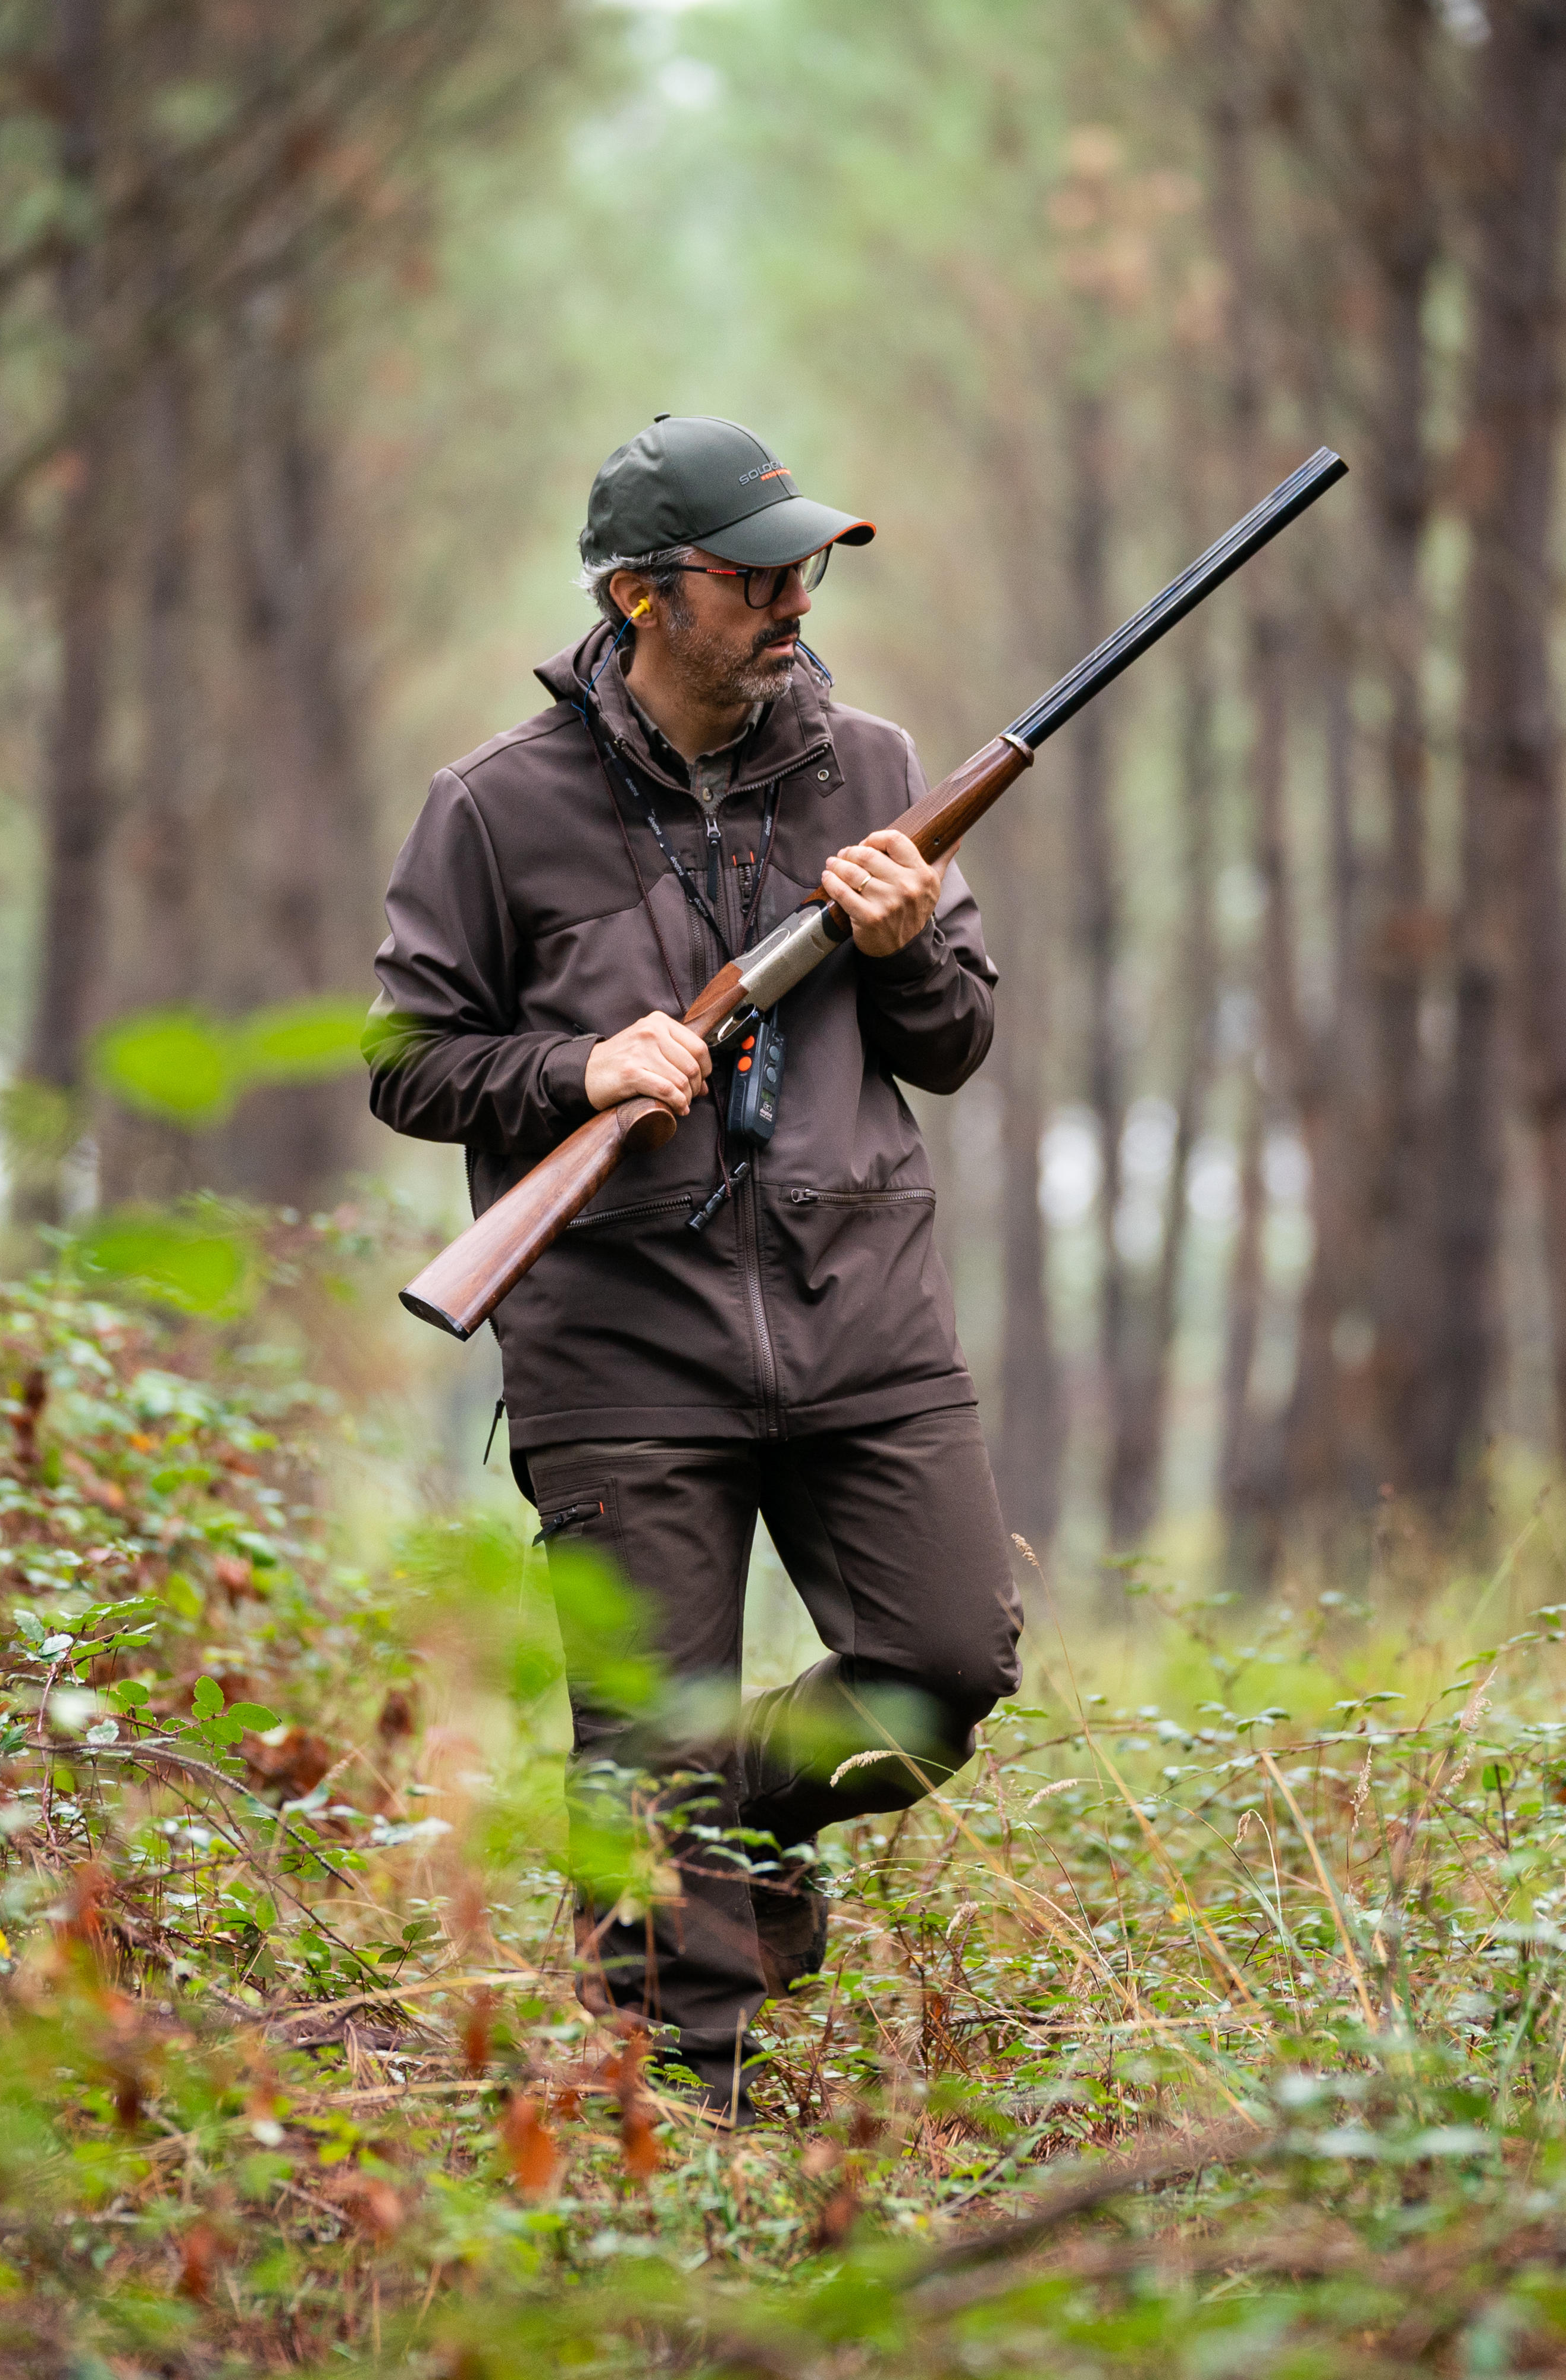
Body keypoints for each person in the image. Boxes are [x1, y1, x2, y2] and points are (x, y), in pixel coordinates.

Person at [367, 415, 1023, 2117]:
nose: (797, 596)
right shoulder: (496, 811)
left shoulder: (874, 766)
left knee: (943, 1668)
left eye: (808, 563)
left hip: (863, 1322)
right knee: (639, 1747)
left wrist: (899, 951)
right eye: (757, 573)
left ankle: (726, 1829)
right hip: (623, 1356)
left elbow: (953, 1046)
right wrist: (570, 1073)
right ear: (642, 596)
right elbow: (409, 1059)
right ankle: (685, 2133)